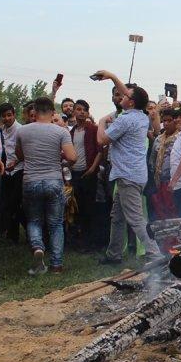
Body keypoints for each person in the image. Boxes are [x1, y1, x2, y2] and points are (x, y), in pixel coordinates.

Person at [95, 70, 162, 264]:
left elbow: (101, 140)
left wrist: (101, 122)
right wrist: (111, 76)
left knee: (135, 218)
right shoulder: (141, 116)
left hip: (127, 176)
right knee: (117, 216)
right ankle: (113, 255)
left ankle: (155, 254)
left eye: (125, 96)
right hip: (133, 174)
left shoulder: (126, 119)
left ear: (131, 102)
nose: (121, 96)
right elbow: (132, 94)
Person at [15, 97, 77, 274]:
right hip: (54, 180)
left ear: (34, 111)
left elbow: (19, 155)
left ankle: (37, 247)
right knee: (56, 224)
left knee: (34, 220)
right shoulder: (61, 132)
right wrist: (63, 163)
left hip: (30, 180)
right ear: (52, 112)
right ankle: (56, 265)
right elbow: (72, 157)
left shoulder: (22, 131)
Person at [69, 99, 101, 250]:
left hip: (89, 172)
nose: (81, 112)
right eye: (79, 109)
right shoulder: (71, 132)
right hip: (75, 173)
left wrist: (92, 168)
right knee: (77, 207)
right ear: (74, 112)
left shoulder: (93, 129)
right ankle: (79, 240)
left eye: (84, 110)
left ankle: (90, 241)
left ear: (88, 113)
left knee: (89, 207)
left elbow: (100, 151)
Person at [0, 103, 24, 244]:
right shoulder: (2, 131)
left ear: (14, 114)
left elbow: (26, 150)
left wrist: (16, 162)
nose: (7, 118)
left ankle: (16, 234)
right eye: (4, 116)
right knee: (6, 203)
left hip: (19, 170)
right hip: (6, 171)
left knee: (15, 202)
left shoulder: (21, 130)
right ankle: (10, 233)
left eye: (9, 115)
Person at [149, 108, 178, 220]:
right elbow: (152, 160)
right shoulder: (158, 139)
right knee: (161, 211)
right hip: (159, 182)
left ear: (175, 121)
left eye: (169, 120)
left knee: (174, 211)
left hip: (173, 182)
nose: (166, 123)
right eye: (164, 120)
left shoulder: (180, 137)